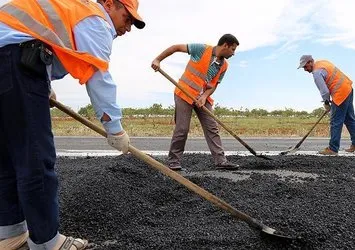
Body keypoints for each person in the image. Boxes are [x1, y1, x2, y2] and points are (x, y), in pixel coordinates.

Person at [0, 0, 145, 249]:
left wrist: (42, 84)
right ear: (109, 4)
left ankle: (10, 233)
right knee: (35, 158)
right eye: (127, 18)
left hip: (10, 60)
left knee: (7, 156)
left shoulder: (72, 10)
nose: (128, 27)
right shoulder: (96, 19)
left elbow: (25, 40)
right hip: (16, 60)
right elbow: (99, 77)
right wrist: (115, 128)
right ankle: (47, 242)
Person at [151, 34, 240, 171]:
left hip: (202, 98)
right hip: (184, 93)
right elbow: (175, 48)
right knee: (182, 128)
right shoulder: (201, 49)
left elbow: (214, 85)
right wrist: (158, 60)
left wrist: (204, 96)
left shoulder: (224, 66)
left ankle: (221, 161)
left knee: (212, 127)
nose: (233, 53)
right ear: (225, 45)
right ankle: (173, 161)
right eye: (233, 49)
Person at [298, 55, 355, 155]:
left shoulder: (316, 73)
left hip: (340, 94)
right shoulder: (323, 63)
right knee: (350, 120)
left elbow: (324, 91)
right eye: (303, 68)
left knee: (335, 122)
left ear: (311, 62)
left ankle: (333, 149)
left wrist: (326, 103)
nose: (305, 69)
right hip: (348, 89)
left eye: (305, 66)